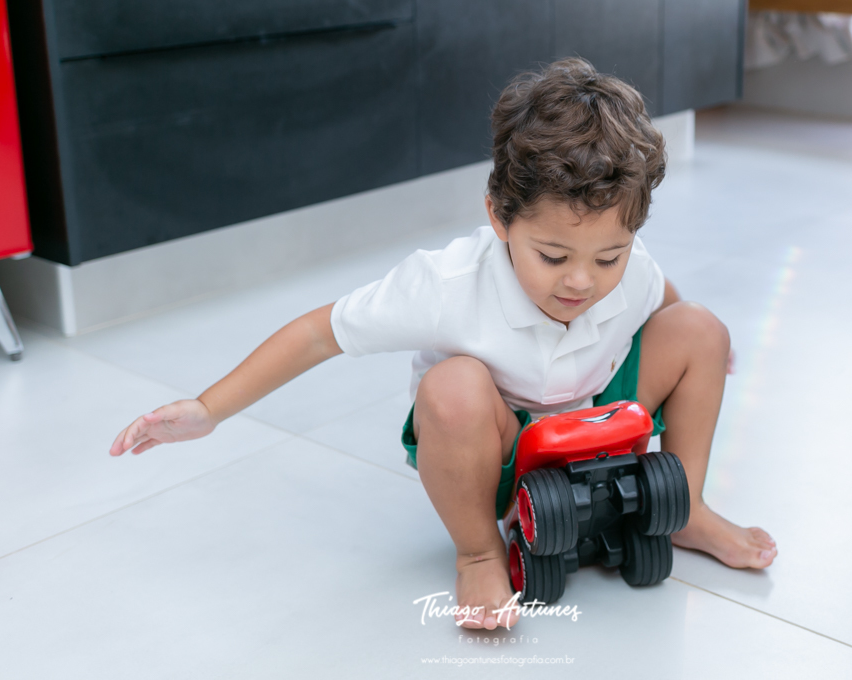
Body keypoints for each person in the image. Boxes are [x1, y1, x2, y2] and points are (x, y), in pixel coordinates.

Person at [109, 58, 777, 631]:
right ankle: (479, 553)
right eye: (552, 256)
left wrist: (701, 350)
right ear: (499, 217)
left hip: (598, 418)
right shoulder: (445, 284)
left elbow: (663, 298)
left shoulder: (630, 268)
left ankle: (685, 507)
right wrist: (209, 409)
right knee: (452, 385)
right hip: (500, 449)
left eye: (609, 257)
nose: (582, 281)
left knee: (701, 326)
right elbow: (318, 333)